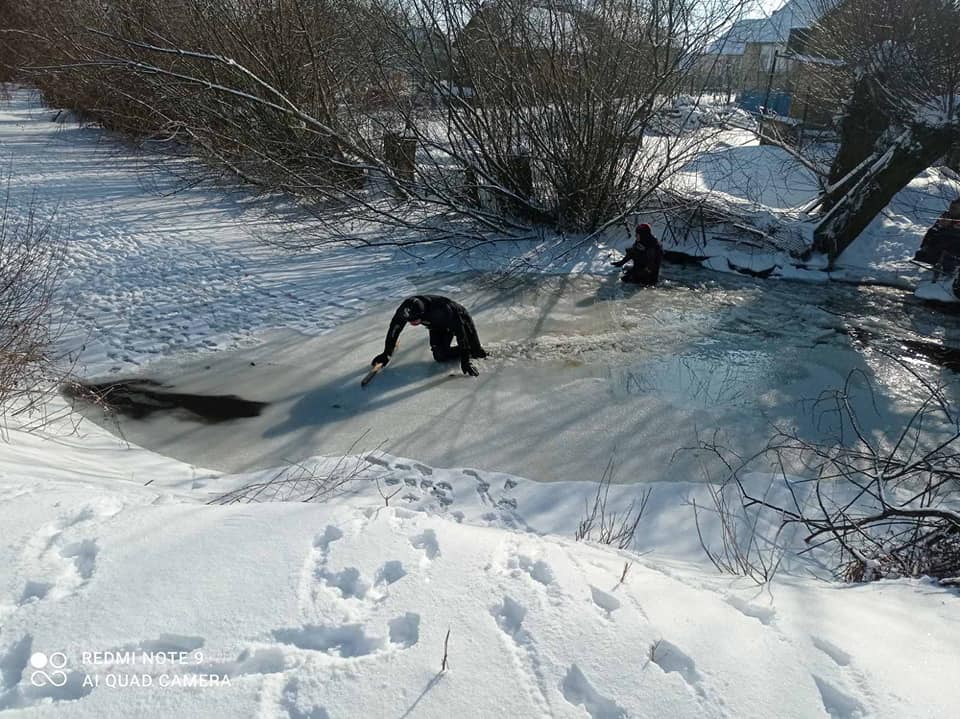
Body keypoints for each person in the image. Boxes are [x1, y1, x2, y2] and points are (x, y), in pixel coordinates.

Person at [371, 295, 487, 377]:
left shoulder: (442, 309)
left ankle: (472, 350)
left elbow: (461, 334)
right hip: (436, 325)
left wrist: (465, 361)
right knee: (440, 356)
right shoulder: (405, 310)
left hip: (459, 318)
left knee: (478, 353)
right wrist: (386, 353)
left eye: (416, 320)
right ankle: (465, 351)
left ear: (423, 313)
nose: (413, 323)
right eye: (410, 321)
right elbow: (394, 330)